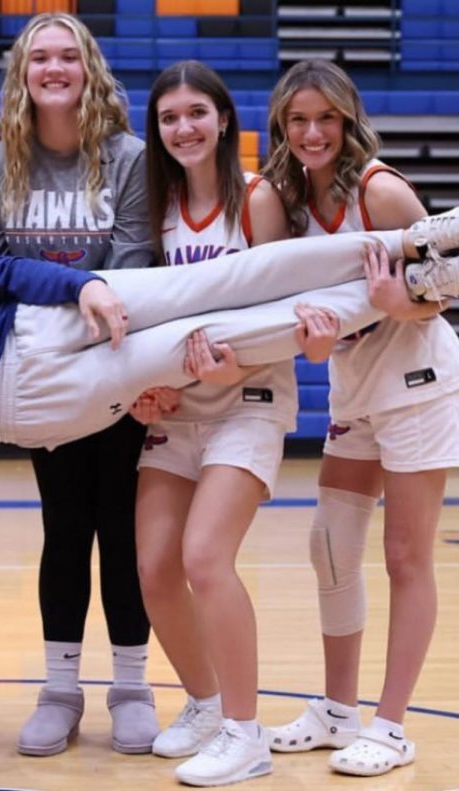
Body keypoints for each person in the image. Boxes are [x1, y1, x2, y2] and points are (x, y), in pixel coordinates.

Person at [0, 177, 459, 644]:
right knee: (217, 333)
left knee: (229, 278)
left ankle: (413, 246)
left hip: (42, 321)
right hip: (27, 401)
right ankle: (422, 289)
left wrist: (80, 287)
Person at [261, 60, 459, 779]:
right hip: (354, 382)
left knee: (404, 556)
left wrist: (402, 304)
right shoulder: (284, 197)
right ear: (281, 125)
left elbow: (440, 293)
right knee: (330, 544)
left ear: (347, 119)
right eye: (298, 120)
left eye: (325, 118)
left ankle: (391, 725)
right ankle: (337, 709)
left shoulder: (381, 188)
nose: (311, 133)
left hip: (419, 379)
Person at [129, 60, 341, 788]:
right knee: (154, 569)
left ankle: (246, 736)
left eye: (196, 112)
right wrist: (148, 387)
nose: (183, 127)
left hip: (249, 403)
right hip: (177, 407)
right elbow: (152, 317)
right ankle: (208, 704)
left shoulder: (258, 200)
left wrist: (234, 369)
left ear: (223, 119)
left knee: (203, 558)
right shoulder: (152, 203)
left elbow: (284, 315)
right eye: (169, 117)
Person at [0, 12, 158, 757]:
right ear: (22, 73)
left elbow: (137, 261)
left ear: (88, 71)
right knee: (64, 527)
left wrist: (89, 320)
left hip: (118, 363)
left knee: (124, 528)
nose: (53, 68)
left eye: (66, 57)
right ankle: (59, 689)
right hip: (43, 374)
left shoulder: (129, 158)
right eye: (39, 57)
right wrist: (61, 316)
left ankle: (134, 687)